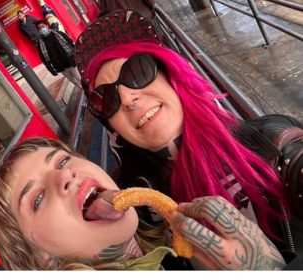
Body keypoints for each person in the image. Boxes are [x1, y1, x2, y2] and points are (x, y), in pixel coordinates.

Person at [74, 9, 303, 257]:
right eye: (106, 99)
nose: (127, 99)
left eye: (136, 72)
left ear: (171, 74)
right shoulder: (134, 205)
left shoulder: (274, 145)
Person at [0, 137, 296, 270]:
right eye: (37, 199)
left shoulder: (170, 251)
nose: (64, 176)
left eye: (63, 160)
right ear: (41, 259)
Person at [35, 20, 82, 88]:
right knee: (73, 81)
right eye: (39, 28)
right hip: (60, 66)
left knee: (79, 77)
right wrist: (51, 69)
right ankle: (84, 91)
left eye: (43, 26)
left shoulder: (58, 34)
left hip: (70, 61)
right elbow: (44, 59)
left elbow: (71, 44)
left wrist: (78, 56)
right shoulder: (40, 43)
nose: (42, 29)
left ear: (47, 26)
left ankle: (89, 91)